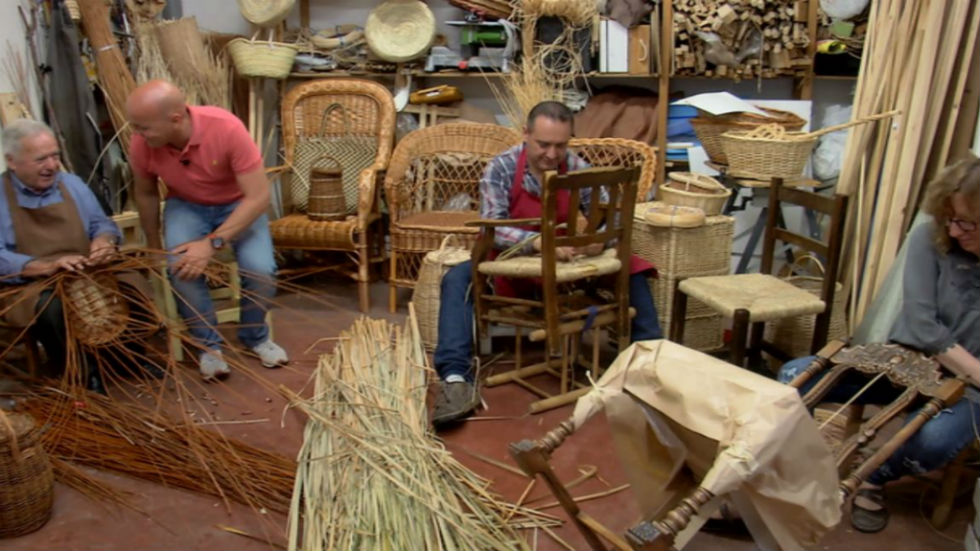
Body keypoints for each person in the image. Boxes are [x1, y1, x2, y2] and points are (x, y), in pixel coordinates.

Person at [778, 156, 980, 533]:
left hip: (968, 391)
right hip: (910, 359)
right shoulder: (933, 235)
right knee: (794, 377)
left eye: (967, 222)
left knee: (934, 442)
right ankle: (793, 471)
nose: (954, 231)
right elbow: (921, 325)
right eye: (950, 218)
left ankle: (873, 477)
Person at [431, 101, 663, 426]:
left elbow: (609, 216)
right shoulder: (502, 168)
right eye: (543, 144)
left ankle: (651, 367)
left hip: (567, 265)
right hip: (513, 263)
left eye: (561, 145)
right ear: (525, 134)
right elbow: (493, 227)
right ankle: (456, 380)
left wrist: (598, 239)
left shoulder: (577, 166)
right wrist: (538, 242)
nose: (553, 154)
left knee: (633, 268)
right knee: (457, 279)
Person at [126, 80, 288, 380]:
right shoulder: (142, 143)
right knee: (180, 266)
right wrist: (154, 244)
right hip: (186, 205)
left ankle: (255, 337)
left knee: (261, 270)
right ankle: (208, 347)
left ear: (175, 119)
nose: (137, 134)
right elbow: (146, 193)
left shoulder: (226, 128)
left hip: (239, 204)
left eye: (144, 127)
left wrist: (210, 243)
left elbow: (258, 197)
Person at [0, 119, 159, 392]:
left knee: (132, 283)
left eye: (55, 156)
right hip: (31, 282)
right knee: (51, 308)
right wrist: (44, 266)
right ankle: (80, 372)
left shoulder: (72, 184)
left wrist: (104, 241)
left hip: (86, 268)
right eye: (41, 159)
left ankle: (128, 359)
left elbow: (102, 224)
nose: (52, 165)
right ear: (12, 161)